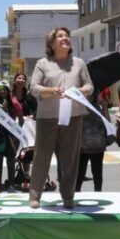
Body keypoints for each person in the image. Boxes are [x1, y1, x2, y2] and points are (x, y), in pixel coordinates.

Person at [26, 28, 93, 208]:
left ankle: (68, 196)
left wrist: (78, 92)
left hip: (74, 116)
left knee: (70, 158)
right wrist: (51, 91)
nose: (65, 39)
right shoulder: (43, 63)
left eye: (67, 36)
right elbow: (33, 87)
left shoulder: (78, 63)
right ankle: (34, 196)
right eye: (60, 36)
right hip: (47, 117)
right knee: (42, 156)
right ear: (52, 43)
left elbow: (90, 86)